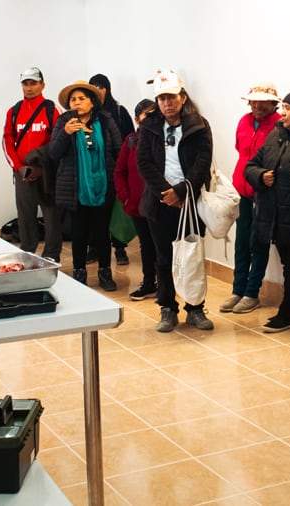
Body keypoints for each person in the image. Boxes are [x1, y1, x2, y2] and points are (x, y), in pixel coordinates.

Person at [137, 68, 214, 332]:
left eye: (171, 97)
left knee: (192, 256)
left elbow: (203, 162)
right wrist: (166, 193)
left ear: (182, 97)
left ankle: (195, 308)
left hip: (190, 201)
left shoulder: (199, 125)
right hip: (159, 202)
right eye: (161, 98)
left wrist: (182, 191)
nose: (167, 103)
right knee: (163, 257)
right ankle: (167, 308)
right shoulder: (148, 127)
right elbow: (144, 163)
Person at [244, 83, 290, 333]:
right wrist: (261, 175)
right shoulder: (276, 135)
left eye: (287, 108)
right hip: (275, 214)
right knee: (289, 264)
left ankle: (289, 311)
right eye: (283, 107)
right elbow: (251, 165)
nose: (282, 113)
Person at [49, 80, 121, 290]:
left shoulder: (106, 122)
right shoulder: (64, 122)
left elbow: (118, 151)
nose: (77, 103)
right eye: (73, 100)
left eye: (82, 99)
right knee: (78, 233)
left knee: (101, 233)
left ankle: (105, 273)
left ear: (91, 103)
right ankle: (79, 272)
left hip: (103, 184)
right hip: (75, 187)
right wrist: (66, 133)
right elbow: (53, 153)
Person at [220, 81, 281, 314]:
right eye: (253, 101)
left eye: (262, 101)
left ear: (273, 103)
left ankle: (251, 292)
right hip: (241, 192)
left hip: (264, 193)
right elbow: (240, 150)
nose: (257, 105)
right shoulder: (244, 122)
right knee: (241, 241)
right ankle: (238, 289)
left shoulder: (278, 126)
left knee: (259, 242)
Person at [2, 67, 62, 262]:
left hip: (47, 172)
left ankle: (51, 255)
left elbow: (57, 141)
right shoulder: (14, 111)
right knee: (25, 215)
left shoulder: (52, 109)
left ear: (42, 85)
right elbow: (7, 141)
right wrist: (19, 167)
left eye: (33, 83)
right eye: (25, 84)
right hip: (22, 173)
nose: (29, 88)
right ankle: (27, 253)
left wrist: (42, 165)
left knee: (51, 215)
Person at [89, 73, 135, 265]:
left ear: (107, 89)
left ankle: (119, 248)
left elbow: (130, 139)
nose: (98, 91)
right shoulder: (87, 115)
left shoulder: (118, 111)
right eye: (94, 87)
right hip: (94, 170)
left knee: (117, 211)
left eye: (100, 87)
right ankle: (94, 248)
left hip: (115, 169)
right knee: (95, 212)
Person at [115, 98, 158, 300]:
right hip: (137, 205)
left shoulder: (164, 141)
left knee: (162, 244)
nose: (149, 119)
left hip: (160, 203)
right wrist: (125, 197)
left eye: (153, 114)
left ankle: (167, 285)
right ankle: (149, 282)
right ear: (136, 118)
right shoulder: (131, 141)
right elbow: (119, 171)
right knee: (146, 244)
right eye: (145, 115)